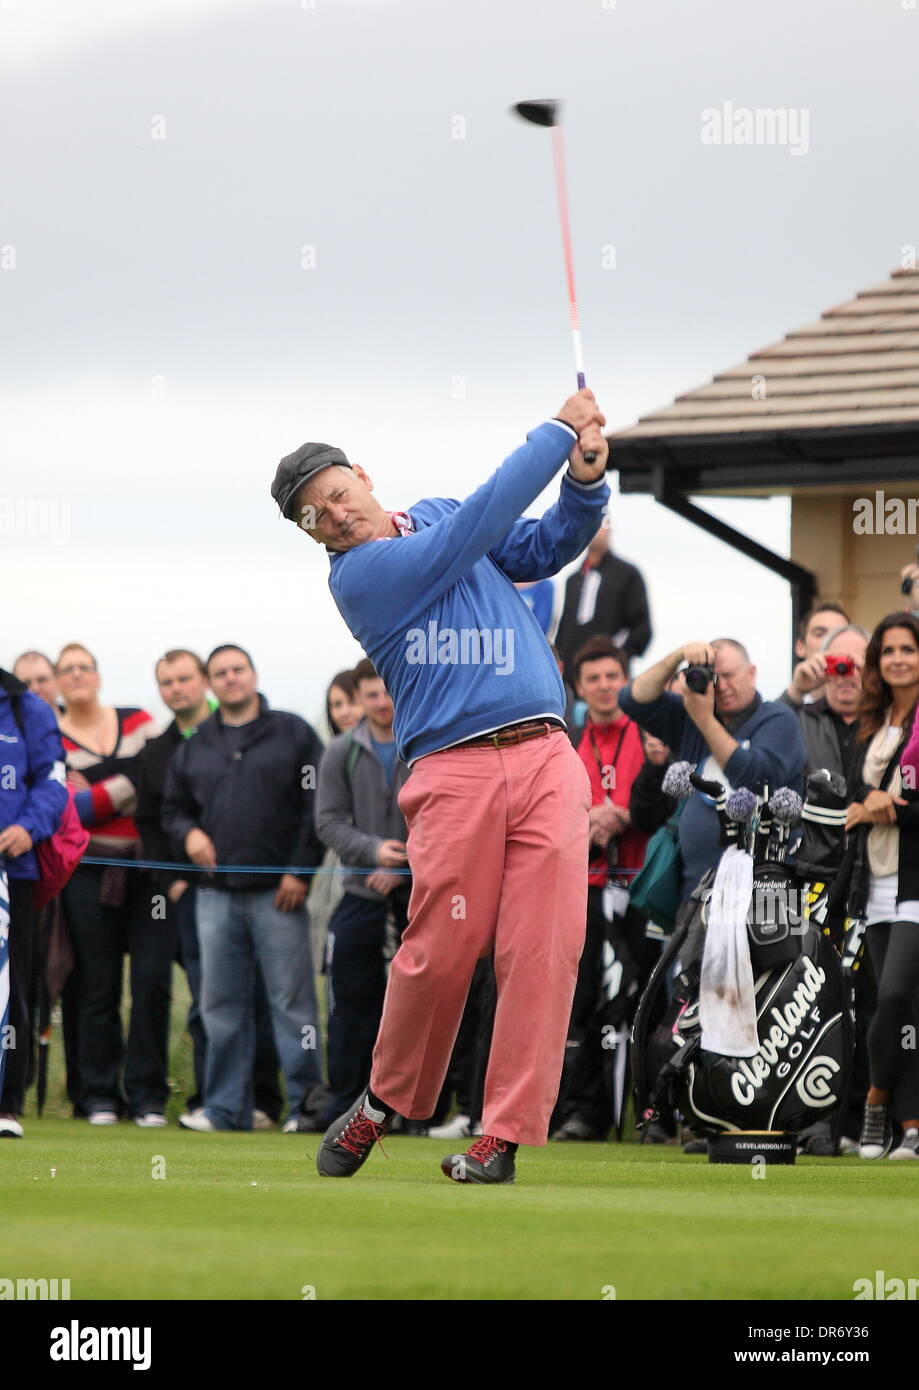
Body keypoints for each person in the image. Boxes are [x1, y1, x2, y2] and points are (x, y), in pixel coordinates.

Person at [271, 386, 609, 1183]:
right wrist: (557, 432)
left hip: (545, 757)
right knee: (441, 947)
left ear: (360, 474)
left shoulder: (436, 511)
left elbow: (538, 546)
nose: (334, 514)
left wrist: (585, 484)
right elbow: (477, 529)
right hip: (452, 769)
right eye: (313, 515)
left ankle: (502, 1137)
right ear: (311, 533)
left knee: (544, 950)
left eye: (335, 493)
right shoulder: (359, 575)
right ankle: (388, 1100)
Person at [161, 644, 325, 1132]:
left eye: (238, 669)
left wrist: (300, 872)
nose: (231, 678)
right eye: (221, 673)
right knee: (219, 1007)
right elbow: (171, 809)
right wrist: (188, 833)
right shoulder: (194, 744)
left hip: (281, 893)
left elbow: (317, 807)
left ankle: (305, 1108)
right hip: (214, 896)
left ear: (253, 674)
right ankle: (225, 1109)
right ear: (210, 685)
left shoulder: (294, 733)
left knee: (293, 1006)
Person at [135, 649, 283, 1129]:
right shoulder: (155, 752)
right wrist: (173, 881)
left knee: (261, 997)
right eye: (167, 682)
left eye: (184, 679)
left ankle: (263, 1102)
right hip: (193, 893)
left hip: (257, 886)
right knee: (209, 1001)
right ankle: (213, 1101)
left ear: (203, 682)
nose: (176, 688)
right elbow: (153, 823)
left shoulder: (247, 733)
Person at [55, 643, 167, 1126]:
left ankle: (147, 1097)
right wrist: (125, 784)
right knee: (97, 986)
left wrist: (97, 789)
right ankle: (100, 1095)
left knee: (151, 983)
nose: (77, 676)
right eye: (67, 671)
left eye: (85, 667)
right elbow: (67, 810)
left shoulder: (139, 719)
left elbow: (155, 774)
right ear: (59, 683)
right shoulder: (51, 736)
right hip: (85, 873)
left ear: (99, 676)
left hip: (146, 874)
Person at [619, 638, 806, 901]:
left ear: (752, 673)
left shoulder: (777, 719)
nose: (723, 686)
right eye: (714, 678)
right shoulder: (691, 716)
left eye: (729, 676)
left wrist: (704, 719)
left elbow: (754, 777)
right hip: (698, 888)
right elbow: (632, 700)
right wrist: (678, 655)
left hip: (764, 891)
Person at [551, 635, 649, 1142]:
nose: (605, 686)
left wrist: (625, 814)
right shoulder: (565, 744)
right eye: (594, 679)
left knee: (649, 999)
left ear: (626, 679)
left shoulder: (649, 731)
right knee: (583, 999)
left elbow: (661, 802)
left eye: (613, 676)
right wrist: (588, 817)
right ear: (579, 687)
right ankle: (583, 1112)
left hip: (646, 888)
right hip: (586, 887)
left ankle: (653, 1115)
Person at [314, 658, 412, 1127]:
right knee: (350, 1008)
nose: (381, 702)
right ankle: (345, 1108)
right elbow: (329, 822)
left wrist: (407, 863)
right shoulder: (340, 751)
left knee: (416, 1009)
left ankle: (412, 1111)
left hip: (422, 897)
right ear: (359, 697)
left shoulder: (426, 743)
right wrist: (374, 852)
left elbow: (450, 817)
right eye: (371, 694)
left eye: (387, 691)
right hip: (360, 895)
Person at [842, 614, 919, 1160]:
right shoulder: (870, 723)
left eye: (908, 649)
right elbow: (853, 797)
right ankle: (910, 1128)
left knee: (896, 996)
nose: (897, 659)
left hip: (916, 879)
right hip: (874, 882)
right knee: (892, 1008)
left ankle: (875, 1099)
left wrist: (893, 809)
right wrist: (866, 806)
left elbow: (884, 806)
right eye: (888, 650)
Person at [0, 668, 67, 1138]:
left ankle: (6, 1104)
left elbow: (53, 779)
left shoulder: (27, 707)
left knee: (11, 983)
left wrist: (28, 827)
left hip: (12, 870)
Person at [554, 520, 651, 673]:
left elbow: (641, 628)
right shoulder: (573, 580)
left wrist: (616, 657)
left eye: (600, 524)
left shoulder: (627, 574)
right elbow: (564, 628)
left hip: (609, 677)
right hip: (571, 677)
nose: (594, 531)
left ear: (609, 529)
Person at [780, 602, 851, 709]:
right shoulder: (793, 704)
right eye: (820, 634)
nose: (830, 640)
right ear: (801, 647)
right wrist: (795, 692)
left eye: (839, 634)